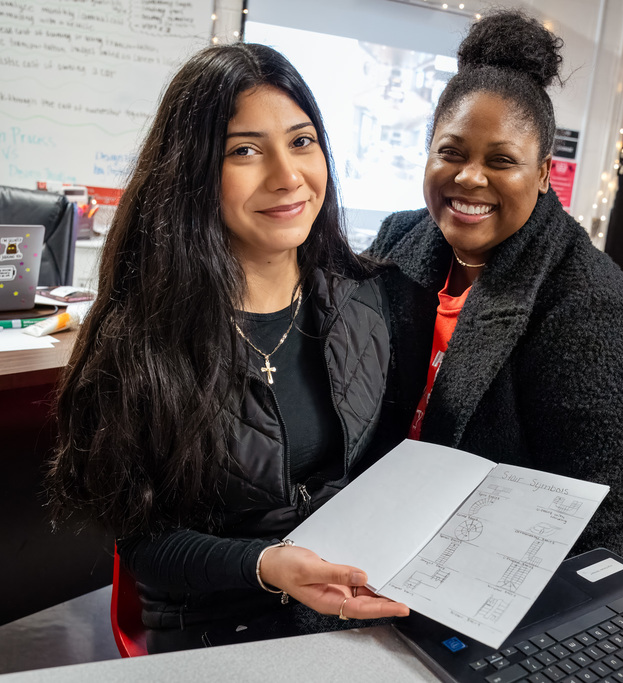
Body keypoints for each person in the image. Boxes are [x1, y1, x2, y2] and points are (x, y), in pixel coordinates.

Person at [45, 44, 408, 653]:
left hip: (346, 607)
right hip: (210, 623)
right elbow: (144, 546)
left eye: (301, 142)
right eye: (244, 150)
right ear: (192, 171)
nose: (287, 176)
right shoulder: (139, 336)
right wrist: (267, 565)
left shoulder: (365, 305)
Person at [367, 10, 623, 580]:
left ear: (544, 173)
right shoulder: (400, 240)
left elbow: (607, 529)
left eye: (502, 160)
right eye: (451, 152)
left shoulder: (592, 306)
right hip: (430, 523)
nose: (470, 178)